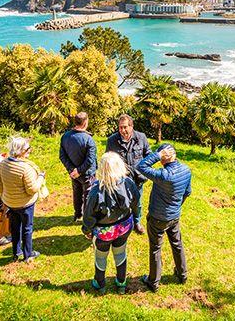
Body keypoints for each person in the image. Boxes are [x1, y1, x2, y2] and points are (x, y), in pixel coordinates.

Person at [137, 143, 192, 292]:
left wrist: (157, 155)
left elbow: (141, 166)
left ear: (163, 157)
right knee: (177, 244)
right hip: (174, 216)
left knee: (155, 248)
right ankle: (182, 274)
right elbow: (187, 192)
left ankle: (153, 282)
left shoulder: (163, 175)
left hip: (157, 218)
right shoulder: (186, 170)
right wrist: (176, 207)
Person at [82, 152, 140, 294]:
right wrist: (136, 219)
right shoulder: (128, 183)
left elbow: (89, 214)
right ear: (120, 165)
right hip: (124, 226)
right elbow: (136, 203)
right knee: (120, 253)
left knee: (101, 256)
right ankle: (121, 283)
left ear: (101, 168)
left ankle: (100, 284)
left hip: (104, 232)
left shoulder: (96, 190)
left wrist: (87, 230)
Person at [0, 136, 46, 262]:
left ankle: (16, 252)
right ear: (21, 151)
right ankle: (28, 254)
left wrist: (5, 199)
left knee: (15, 228)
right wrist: (41, 177)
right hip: (25, 204)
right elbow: (32, 189)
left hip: (10, 202)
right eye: (28, 149)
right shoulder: (25, 168)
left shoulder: (3, 164)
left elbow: (0, 184)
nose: (30, 150)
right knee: (27, 228)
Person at [106, 114, 151, 235]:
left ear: (131, 126)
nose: (122, 130)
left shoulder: (141, 137)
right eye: (120, 127)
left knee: (137, 203)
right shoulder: (112, 140)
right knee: (121, 202)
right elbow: (108, 159)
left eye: (125, 127)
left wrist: (144, 171)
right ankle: (122, 223)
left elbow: (148, 155)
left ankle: (137, 222)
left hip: (138, 178)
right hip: (121, 180)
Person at [59, 112, 97, 221]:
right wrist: (79, 171)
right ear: (85, 122)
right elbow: (90, 160)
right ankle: (87, 218)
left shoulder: (65, 136)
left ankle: (77, 214)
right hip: (87, 173)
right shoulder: (88, 139)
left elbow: (62, 156)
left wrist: (72, 170)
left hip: (74, 173)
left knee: (77, 192)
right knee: (88, 195)